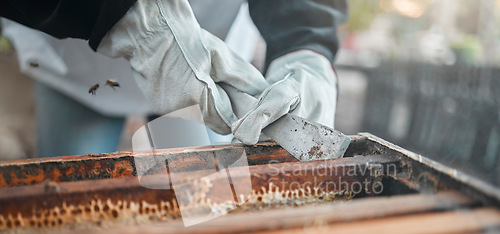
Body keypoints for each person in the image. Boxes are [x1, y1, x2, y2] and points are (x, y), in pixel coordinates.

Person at [0, 0, 347, 151]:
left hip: (205, 64)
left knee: (203, 205)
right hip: (79, 54)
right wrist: (137, 23)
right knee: (72, 212)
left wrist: (306, 43)